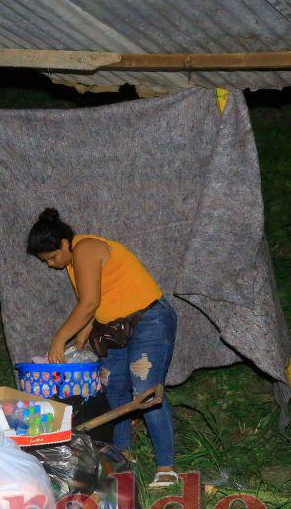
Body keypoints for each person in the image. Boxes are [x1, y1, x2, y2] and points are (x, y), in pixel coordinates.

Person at [27, 208, 179, 488]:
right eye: (45, 261)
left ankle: (166, 467)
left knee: (146, 391)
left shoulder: (85, 249)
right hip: (115, 329)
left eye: (51, 257)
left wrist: (59, 340)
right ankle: (119, 455)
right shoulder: (73, 264)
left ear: (64, 243)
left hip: (149, 320)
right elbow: (94, 307)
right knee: (113, 386)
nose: (50, 264)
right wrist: (80, 345)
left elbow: (88, 305)